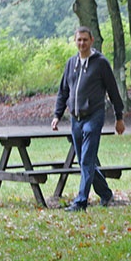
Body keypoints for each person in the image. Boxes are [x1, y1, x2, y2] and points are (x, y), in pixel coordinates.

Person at [52, 26, 125, 211]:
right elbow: (63, 91)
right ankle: (106, 194)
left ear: (91, 40)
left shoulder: (100, 63)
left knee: (86, 160)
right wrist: (57, 115)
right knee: (85, 159)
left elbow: (113, 91)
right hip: (75, 118)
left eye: (85, 39)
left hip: (94, 116)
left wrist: (119, 117)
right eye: (79, 40)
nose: (82, 43)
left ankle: (81, 202)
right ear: (75, 41)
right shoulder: (71, 63)